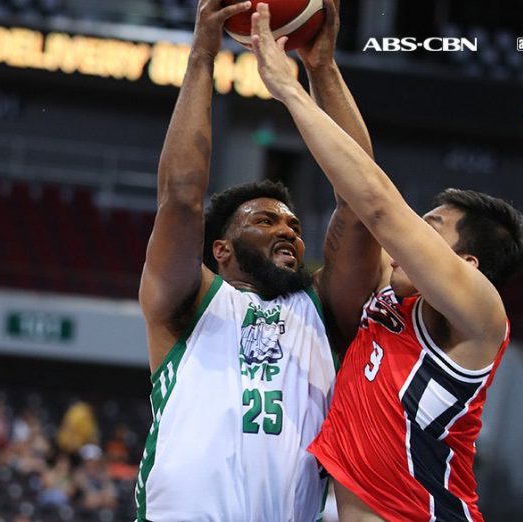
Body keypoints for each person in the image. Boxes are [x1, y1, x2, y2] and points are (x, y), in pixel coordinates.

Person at [250, 4, 523, 521]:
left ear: (466, 264)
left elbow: (380, 205)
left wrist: (287, 89)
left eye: (431, 228)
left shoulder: (478, 312)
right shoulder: (393, 294)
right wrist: (321, 69)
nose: (410, 238)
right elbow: (359, 191)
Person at [134, 0, 380, 520]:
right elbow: (181, 196)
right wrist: (202, 53)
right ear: (220, 249)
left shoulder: (325, 308)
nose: (288, 230)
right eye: (265, 221)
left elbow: (362, 201)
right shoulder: (191, 300)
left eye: (293, 224)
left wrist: (322, 69)